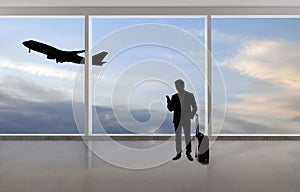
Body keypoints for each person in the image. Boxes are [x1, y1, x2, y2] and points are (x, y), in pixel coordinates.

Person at [167, 79, 197, 161]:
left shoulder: (190, 95)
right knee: (178, 137)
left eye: (177, 86)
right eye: (176, 86)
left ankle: (188, 153)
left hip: (186, 119)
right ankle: (178, 153)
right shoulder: (174, 97)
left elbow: (195, 107)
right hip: (177, 120)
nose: (176, 88)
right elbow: (170, 109)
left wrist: (191, 116)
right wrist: (168, 101)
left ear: (182, 86)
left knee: (187, 137)